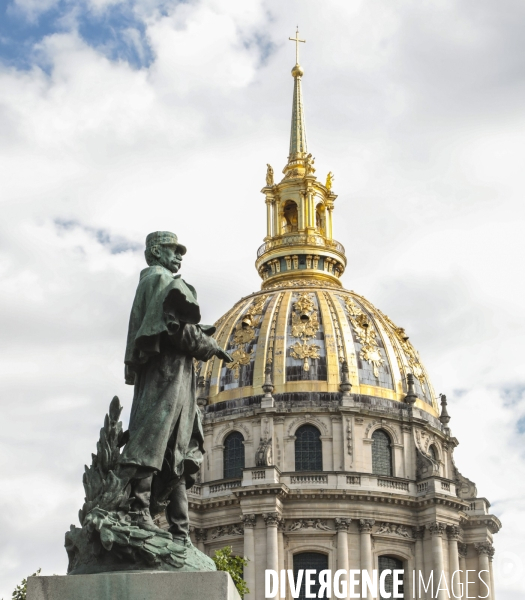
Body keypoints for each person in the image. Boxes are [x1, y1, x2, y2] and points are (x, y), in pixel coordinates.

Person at [119, 231, 232, 541]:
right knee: (153, 439)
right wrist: (210, 346)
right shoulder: (158, 278)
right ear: (156, 252)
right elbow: (174, 328)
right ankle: (139, 509)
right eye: (172, 250)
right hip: (166, 374)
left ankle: (180, 531)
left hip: (173, 374)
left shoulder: (156, 279)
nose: (179, 255)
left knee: (177, 448)